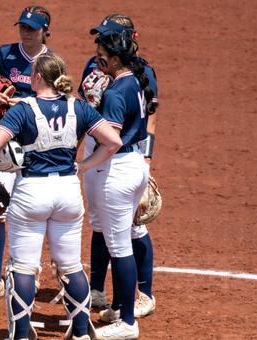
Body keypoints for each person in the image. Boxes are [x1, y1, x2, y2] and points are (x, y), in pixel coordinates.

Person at [0, 53, 122, 340]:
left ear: (39, 77)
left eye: (33, 73)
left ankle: (20, 334)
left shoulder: (23, 110)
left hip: (32, 192)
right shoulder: (79, 108)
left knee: (23, 266)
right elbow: (113, 141)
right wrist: (83, 165)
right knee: (70, 264)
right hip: (68, 191)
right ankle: (81, 331)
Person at [79, 14, 159, 320]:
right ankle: (100, 293)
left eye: (105, 39)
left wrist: (147, 160)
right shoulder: (99, 66)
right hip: (105, 151)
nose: (98, 45)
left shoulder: (141, 74)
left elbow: (146, 117)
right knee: (102, 225)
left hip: (119, 154)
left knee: (129, 232)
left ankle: (140, 296)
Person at [0, 4, 52, 302]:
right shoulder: (4, 54)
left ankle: (28, 270)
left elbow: (60, 100)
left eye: (32, 27)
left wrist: (25, 104)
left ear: (45, 30)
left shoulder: (52, 62)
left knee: (31, 209)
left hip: (36, 145)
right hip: (3, 141)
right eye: (22, 26)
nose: (26, 31)